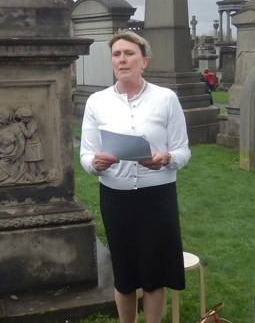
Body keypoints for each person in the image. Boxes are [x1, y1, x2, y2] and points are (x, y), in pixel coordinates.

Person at [80, 30, 191, 323]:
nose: (122, 59)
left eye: (129, 53)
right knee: (125, 272)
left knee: (154, 274)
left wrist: (167, 158)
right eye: (116, 54)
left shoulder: (166, 99)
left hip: (157, 196)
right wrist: (96, 164)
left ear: (144, 61)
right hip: (116, 197)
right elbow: (86, 155)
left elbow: (183, 151)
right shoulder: (97, 102)